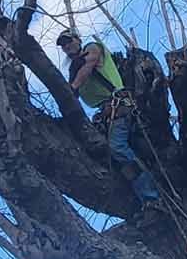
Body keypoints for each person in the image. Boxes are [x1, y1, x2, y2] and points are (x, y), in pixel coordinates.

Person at [56, 31, 161, 208]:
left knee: (117, 147)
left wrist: (72, 87)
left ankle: (151, 197)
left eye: (69, 41)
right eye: (63, 44)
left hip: (118, 106)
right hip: (104, 114)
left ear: (78, 40)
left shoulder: (92, 48)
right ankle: (136, 200)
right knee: (104, 154)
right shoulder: (73, 69)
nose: (67, 46)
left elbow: (89, 66)